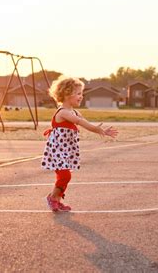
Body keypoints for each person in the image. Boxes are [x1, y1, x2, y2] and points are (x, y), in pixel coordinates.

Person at [41, 76, 118, 212]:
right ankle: (52, 197)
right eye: (78, 93)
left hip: (67, 150)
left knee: (63, 176)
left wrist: (101, 131)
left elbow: (86, 121)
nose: (81, 96)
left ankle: (57, 200)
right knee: (65, 175)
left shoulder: (74, 111)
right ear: (66, 94)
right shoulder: (64, 112)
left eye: (81, 93)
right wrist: (97, 129)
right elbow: (81, 122)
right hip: (57, 151)